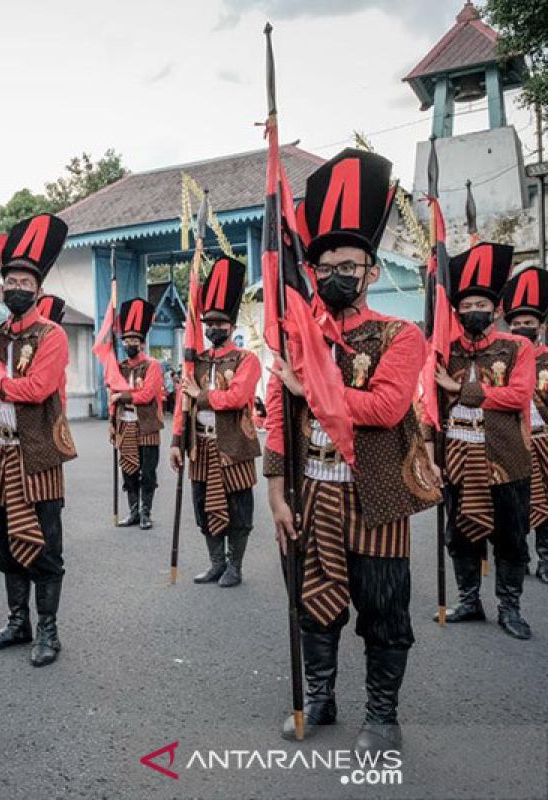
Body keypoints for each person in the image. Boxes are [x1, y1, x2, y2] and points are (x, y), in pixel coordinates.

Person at [267, 149, 439, 754]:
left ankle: (383, 715)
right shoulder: (298, 337)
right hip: (310, 490)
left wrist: (311, 387)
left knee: (383, 606)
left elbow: (386, 409)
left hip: (378, 497)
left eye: (351, 265)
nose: (338, 273)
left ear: (370, 272)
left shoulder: (400, 335)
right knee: (313, 601)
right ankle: (320, 695)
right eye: (327, 265)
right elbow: (276, 420)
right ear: (311, 272)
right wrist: (275, 493)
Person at [0, 213, 77, 668]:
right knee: (3, 544)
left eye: (23, 281)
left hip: (36, 456)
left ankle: (48, 630)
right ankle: (18, 622)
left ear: (37, 289)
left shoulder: (52, 335)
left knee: (45, 547)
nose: (16, 287)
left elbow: (37, 388)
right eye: (9, 280)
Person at [434, 243, 534, 639]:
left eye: (481, 302)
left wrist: (463, 391)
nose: (473, 308)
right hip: (458, 458)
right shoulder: (446, 350)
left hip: (507, 458)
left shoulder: (517, 347)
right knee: (459, 536)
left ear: (495, 309)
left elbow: (518, 395)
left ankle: (509, 607)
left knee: (510, 536)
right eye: (466, 303)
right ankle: (469, 600)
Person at [170, 256, 261, 587]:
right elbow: (183, 404)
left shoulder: (246, 360)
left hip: (234, 445)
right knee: (203, 506)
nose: (213, 328)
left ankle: (235, 565)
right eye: (208, 322)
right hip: (200, 445)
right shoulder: (196, 360)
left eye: (220, 323)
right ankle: (216, 563)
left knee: (238, 508)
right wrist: (176, 442)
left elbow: (236, 399)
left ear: (232, 327)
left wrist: (200, 394)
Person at [506, 267, 548, 585]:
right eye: (517, 324)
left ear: (540, 326)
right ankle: (517, 561)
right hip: (513, 441)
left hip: (543, 438)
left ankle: (546, 559)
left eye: (528, 324)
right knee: (515, 504)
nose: (523, 328)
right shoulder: (502, 359)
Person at [110, 298, 164, 530]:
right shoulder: (119, 366)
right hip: (125, 424)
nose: (130, 343)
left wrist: (123, 396)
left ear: (142, 343)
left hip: (147, 426)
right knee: (128, 470)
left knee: (147, 472)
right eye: (126, 340)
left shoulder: (152, 365)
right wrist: (111, 424)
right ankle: (132, 512)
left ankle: (146, 513)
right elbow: (112, 394)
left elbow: (147, 395)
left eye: (134, 340)